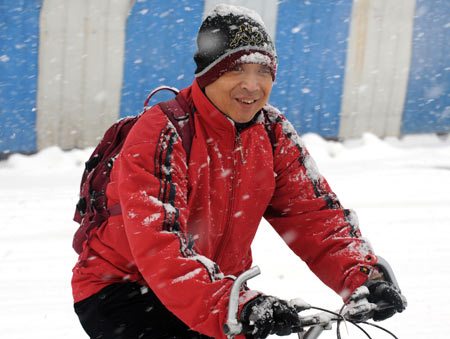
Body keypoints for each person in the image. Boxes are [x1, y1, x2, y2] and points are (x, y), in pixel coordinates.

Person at [72, 4, 406, 339]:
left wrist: (363, 278)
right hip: (124, 291)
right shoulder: (162, 132)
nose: (252, 85)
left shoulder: (274, 134)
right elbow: (162, 248)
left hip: (216, 291)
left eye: (263, 71)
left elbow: (316, 216)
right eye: (236, 70)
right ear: (208, 74)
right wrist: (238, 306)